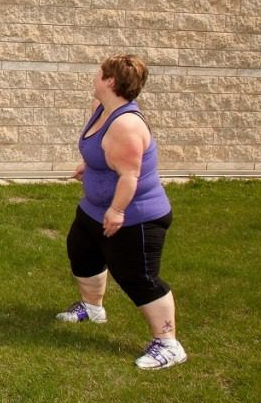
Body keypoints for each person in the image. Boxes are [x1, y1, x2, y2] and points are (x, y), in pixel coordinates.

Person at [56, 54, 186, 370]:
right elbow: (100, 150)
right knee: (82, 252)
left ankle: (169, 344)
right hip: (94, 207)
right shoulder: (101, 109)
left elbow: (130, 175)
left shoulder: (126, 124)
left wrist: (116, 210)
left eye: (99, 73)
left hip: (136, 214)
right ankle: (92, 307)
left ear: (110, 81)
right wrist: (88, 165)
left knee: (138, 277)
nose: (94, 77)